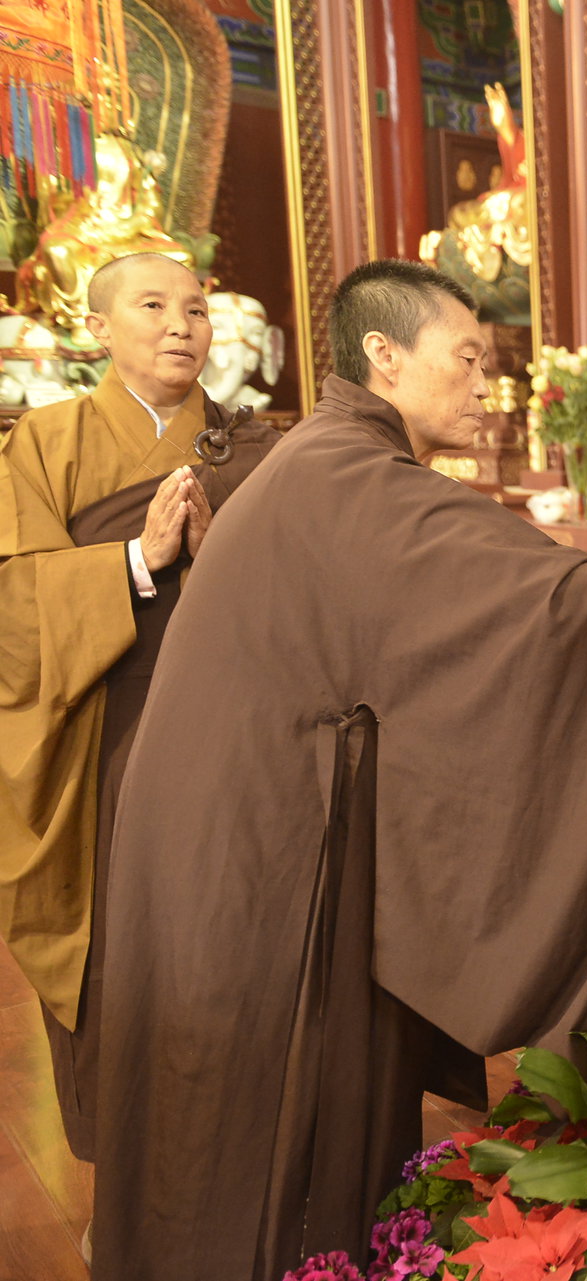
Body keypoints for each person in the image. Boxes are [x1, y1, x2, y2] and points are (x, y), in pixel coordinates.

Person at [90, 259, 587, 1280]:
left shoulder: (335, 461)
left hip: (246, 820)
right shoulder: (349, 478)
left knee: (262, 1106)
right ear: (386, 358)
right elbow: (541, 601)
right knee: (256, 1112)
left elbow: (505, 592)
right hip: (253, 847)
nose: (487, 386)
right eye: (468, 359)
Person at [0, 252, 277, 1176]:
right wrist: (135, 560)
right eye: (153, 305)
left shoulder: (256, 447)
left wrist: (224, 557)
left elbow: (308, 591)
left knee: (235, 934)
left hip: (233, 738)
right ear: (99, 328)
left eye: (196, 308)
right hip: (102, 737)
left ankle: (243, 1164)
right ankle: (129, 1178)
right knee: (122, 950)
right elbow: (11, 604)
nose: (180, 325)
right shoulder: (43, 442)